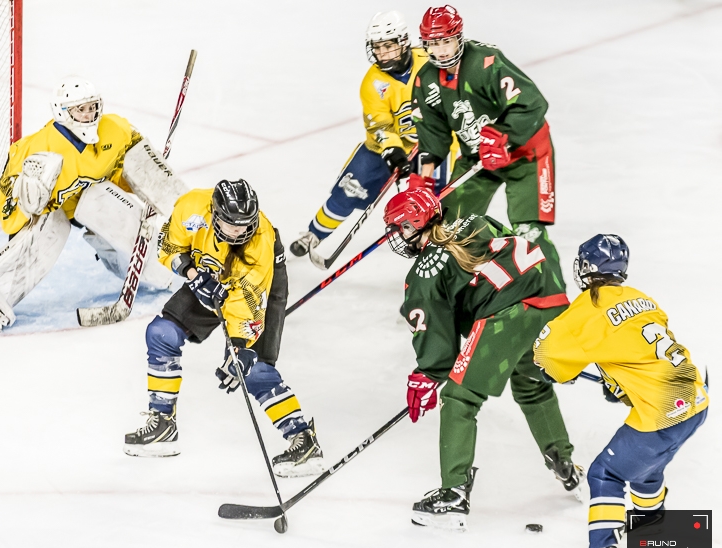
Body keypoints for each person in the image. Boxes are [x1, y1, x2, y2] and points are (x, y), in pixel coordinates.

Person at [383, 187, 580, 530]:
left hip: (511, 314)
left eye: (399, 228)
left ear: (416, 223)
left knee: (458, 398)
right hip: (548, 297)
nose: (397, 237)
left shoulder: (424, 272)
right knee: (529, 384)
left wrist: (428, 373)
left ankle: (454, 496)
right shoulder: (474, 221)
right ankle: (565, 464)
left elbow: (435, 335)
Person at [533, 234, 709, 548]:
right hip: (694, 400)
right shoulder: (642, 299)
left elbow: (546, 358)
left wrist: (553, 367)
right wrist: (618, 381)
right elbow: (638, 350)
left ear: (585, 268)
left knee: (605, 473)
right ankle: (654, 536)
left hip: (660, 412)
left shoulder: (585, 310)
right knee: (646, 471)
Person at [123, 179, 326, 478]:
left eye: (245, 224)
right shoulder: (192, 207)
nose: (239, 231)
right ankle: (163, 424)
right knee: (161, 333)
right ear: (214, 213)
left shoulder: (260, 240)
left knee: (252, 368)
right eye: (231, 225)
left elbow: (248, 300)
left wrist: (241, 346)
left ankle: (303, 439)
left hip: (260, 286)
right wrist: (192, 273)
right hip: (208, 273)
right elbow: (167, 244)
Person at [0, 76, 171, 332]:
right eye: (81, 109)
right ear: (62, 112)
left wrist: (153, 185)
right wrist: (24, 212)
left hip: (95, 203)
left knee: (99, 201)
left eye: (92, 107)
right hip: (55, 210)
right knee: (52, 227)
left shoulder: (116, 129)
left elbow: (135, 168)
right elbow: (10, 209)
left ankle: (159, 266)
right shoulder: (36, 149)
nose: (90, 114)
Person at [409, 5, 563, 283]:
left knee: (529, 232)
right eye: (433, 43)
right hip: (478, 157)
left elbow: (532, 103)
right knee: (449, 226)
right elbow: (433, 137)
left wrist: (504, 136)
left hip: (527, 154)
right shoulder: (426, 80)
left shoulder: (486, 62)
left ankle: (555, 300)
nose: (441, 50)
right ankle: (444, 296)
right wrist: (422, 183)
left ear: (458, 37)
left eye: (446, 41)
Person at [289, 10, 452, 260]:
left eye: (389, 46)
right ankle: (314, 234)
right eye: (378, 47)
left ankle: (434, 250)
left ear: (404, 42)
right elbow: (379, 126)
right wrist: (393, 149)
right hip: (383, 149)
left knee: (431, 202)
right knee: (349, 190)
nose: (383, 53)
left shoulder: (428, 61)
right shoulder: (373, 83)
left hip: (430, 146)